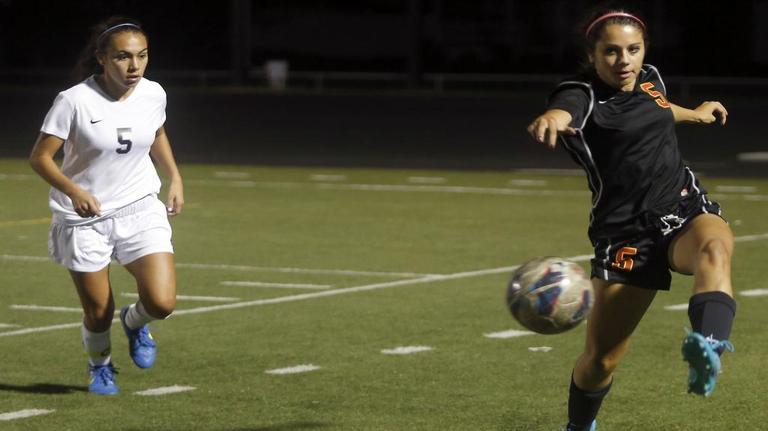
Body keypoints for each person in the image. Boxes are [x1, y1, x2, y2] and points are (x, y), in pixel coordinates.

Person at [526, 8, 736, 431]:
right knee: (601, 360)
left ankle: (708, 346)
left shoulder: (648, 77)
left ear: (644, 51)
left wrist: (694, 113)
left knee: (716, 248)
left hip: (682, 207)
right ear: (594, 55)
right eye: (612, 52)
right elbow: (565, 111)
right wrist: (552, 119)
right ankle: (579, 426)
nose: (624, 60)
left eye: (633, 50)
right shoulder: (581, 96)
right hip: (625, 234)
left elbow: (656, 107)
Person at [29, 16, 184, 395]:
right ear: (101, 58)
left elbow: (156, 131)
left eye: (142, 56)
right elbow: (40, 158)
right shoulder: (74, 101)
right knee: (97, 313)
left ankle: (134, 322)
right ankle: (100, 366)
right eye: (123, 57)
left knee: (162, 302)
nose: (134, 67)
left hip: (138, 206)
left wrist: (175, 177)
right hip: (85, 218)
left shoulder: (153, 93)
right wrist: (73, 191)